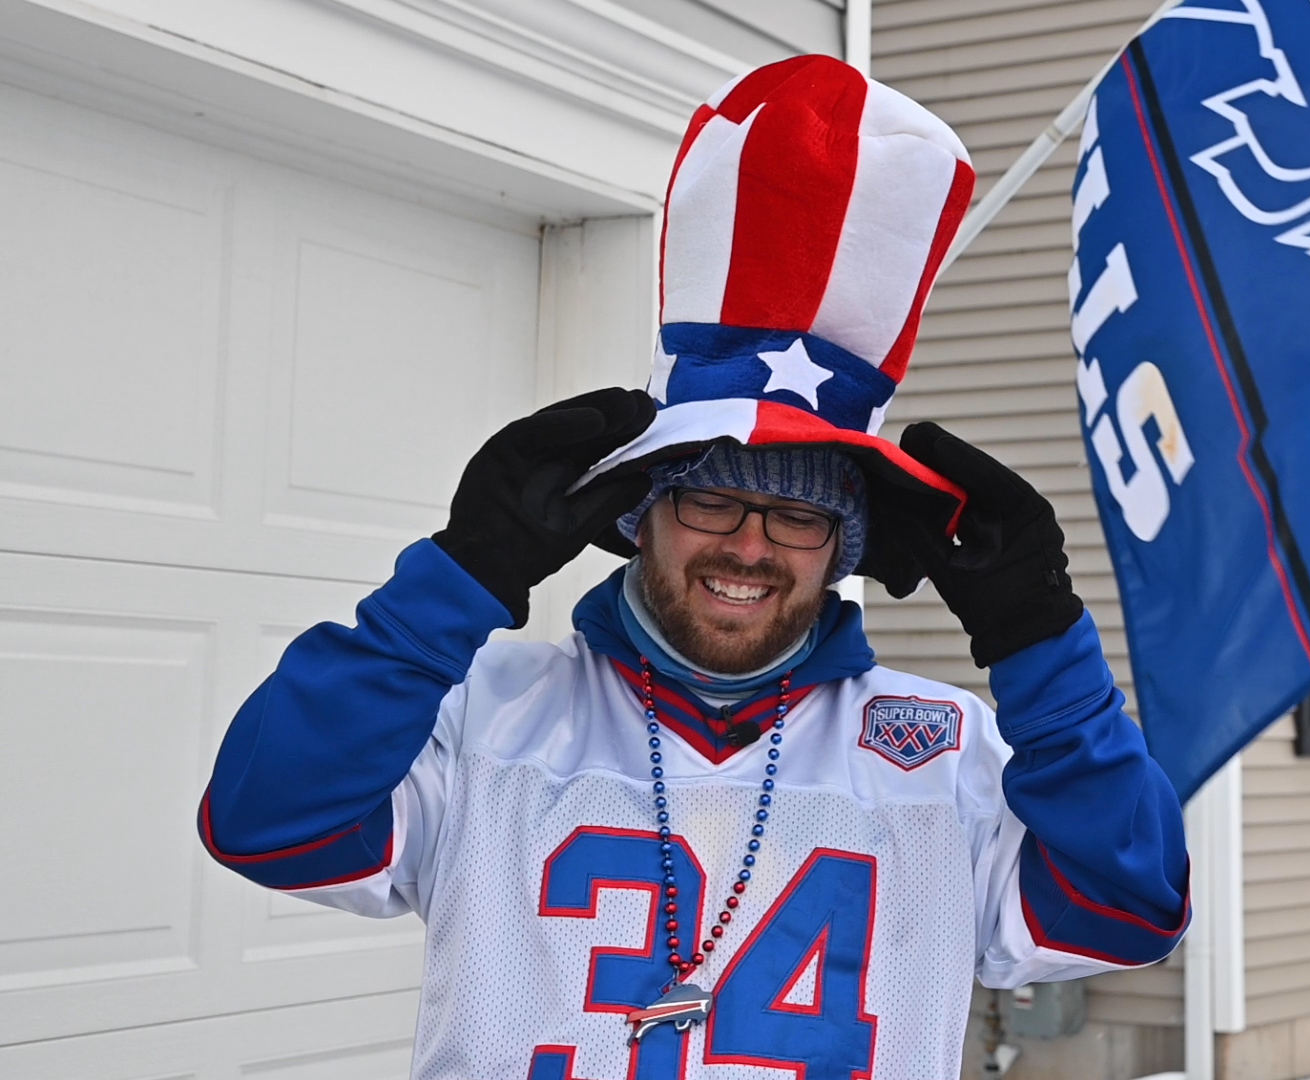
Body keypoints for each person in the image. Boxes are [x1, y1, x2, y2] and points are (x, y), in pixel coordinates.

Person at [198, 55, 1187, 1080]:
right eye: (711, 497)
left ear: (845, 545)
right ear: (640, 513)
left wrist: (1039, 645)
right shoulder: (487, 714)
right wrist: (455, 581)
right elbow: (268, 824)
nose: (750, 544)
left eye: (800, 515)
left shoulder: (943, 754)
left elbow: (1126, 912)